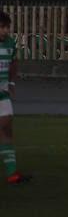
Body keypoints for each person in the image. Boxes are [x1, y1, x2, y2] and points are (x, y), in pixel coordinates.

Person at [1, 9, 33, 185]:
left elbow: (14, 62)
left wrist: (11, 83)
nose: (6, 31)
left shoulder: (10, 43)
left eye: (7, 27)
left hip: (3, 93)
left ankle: (13, 174)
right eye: (2, 27)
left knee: (7, 130)